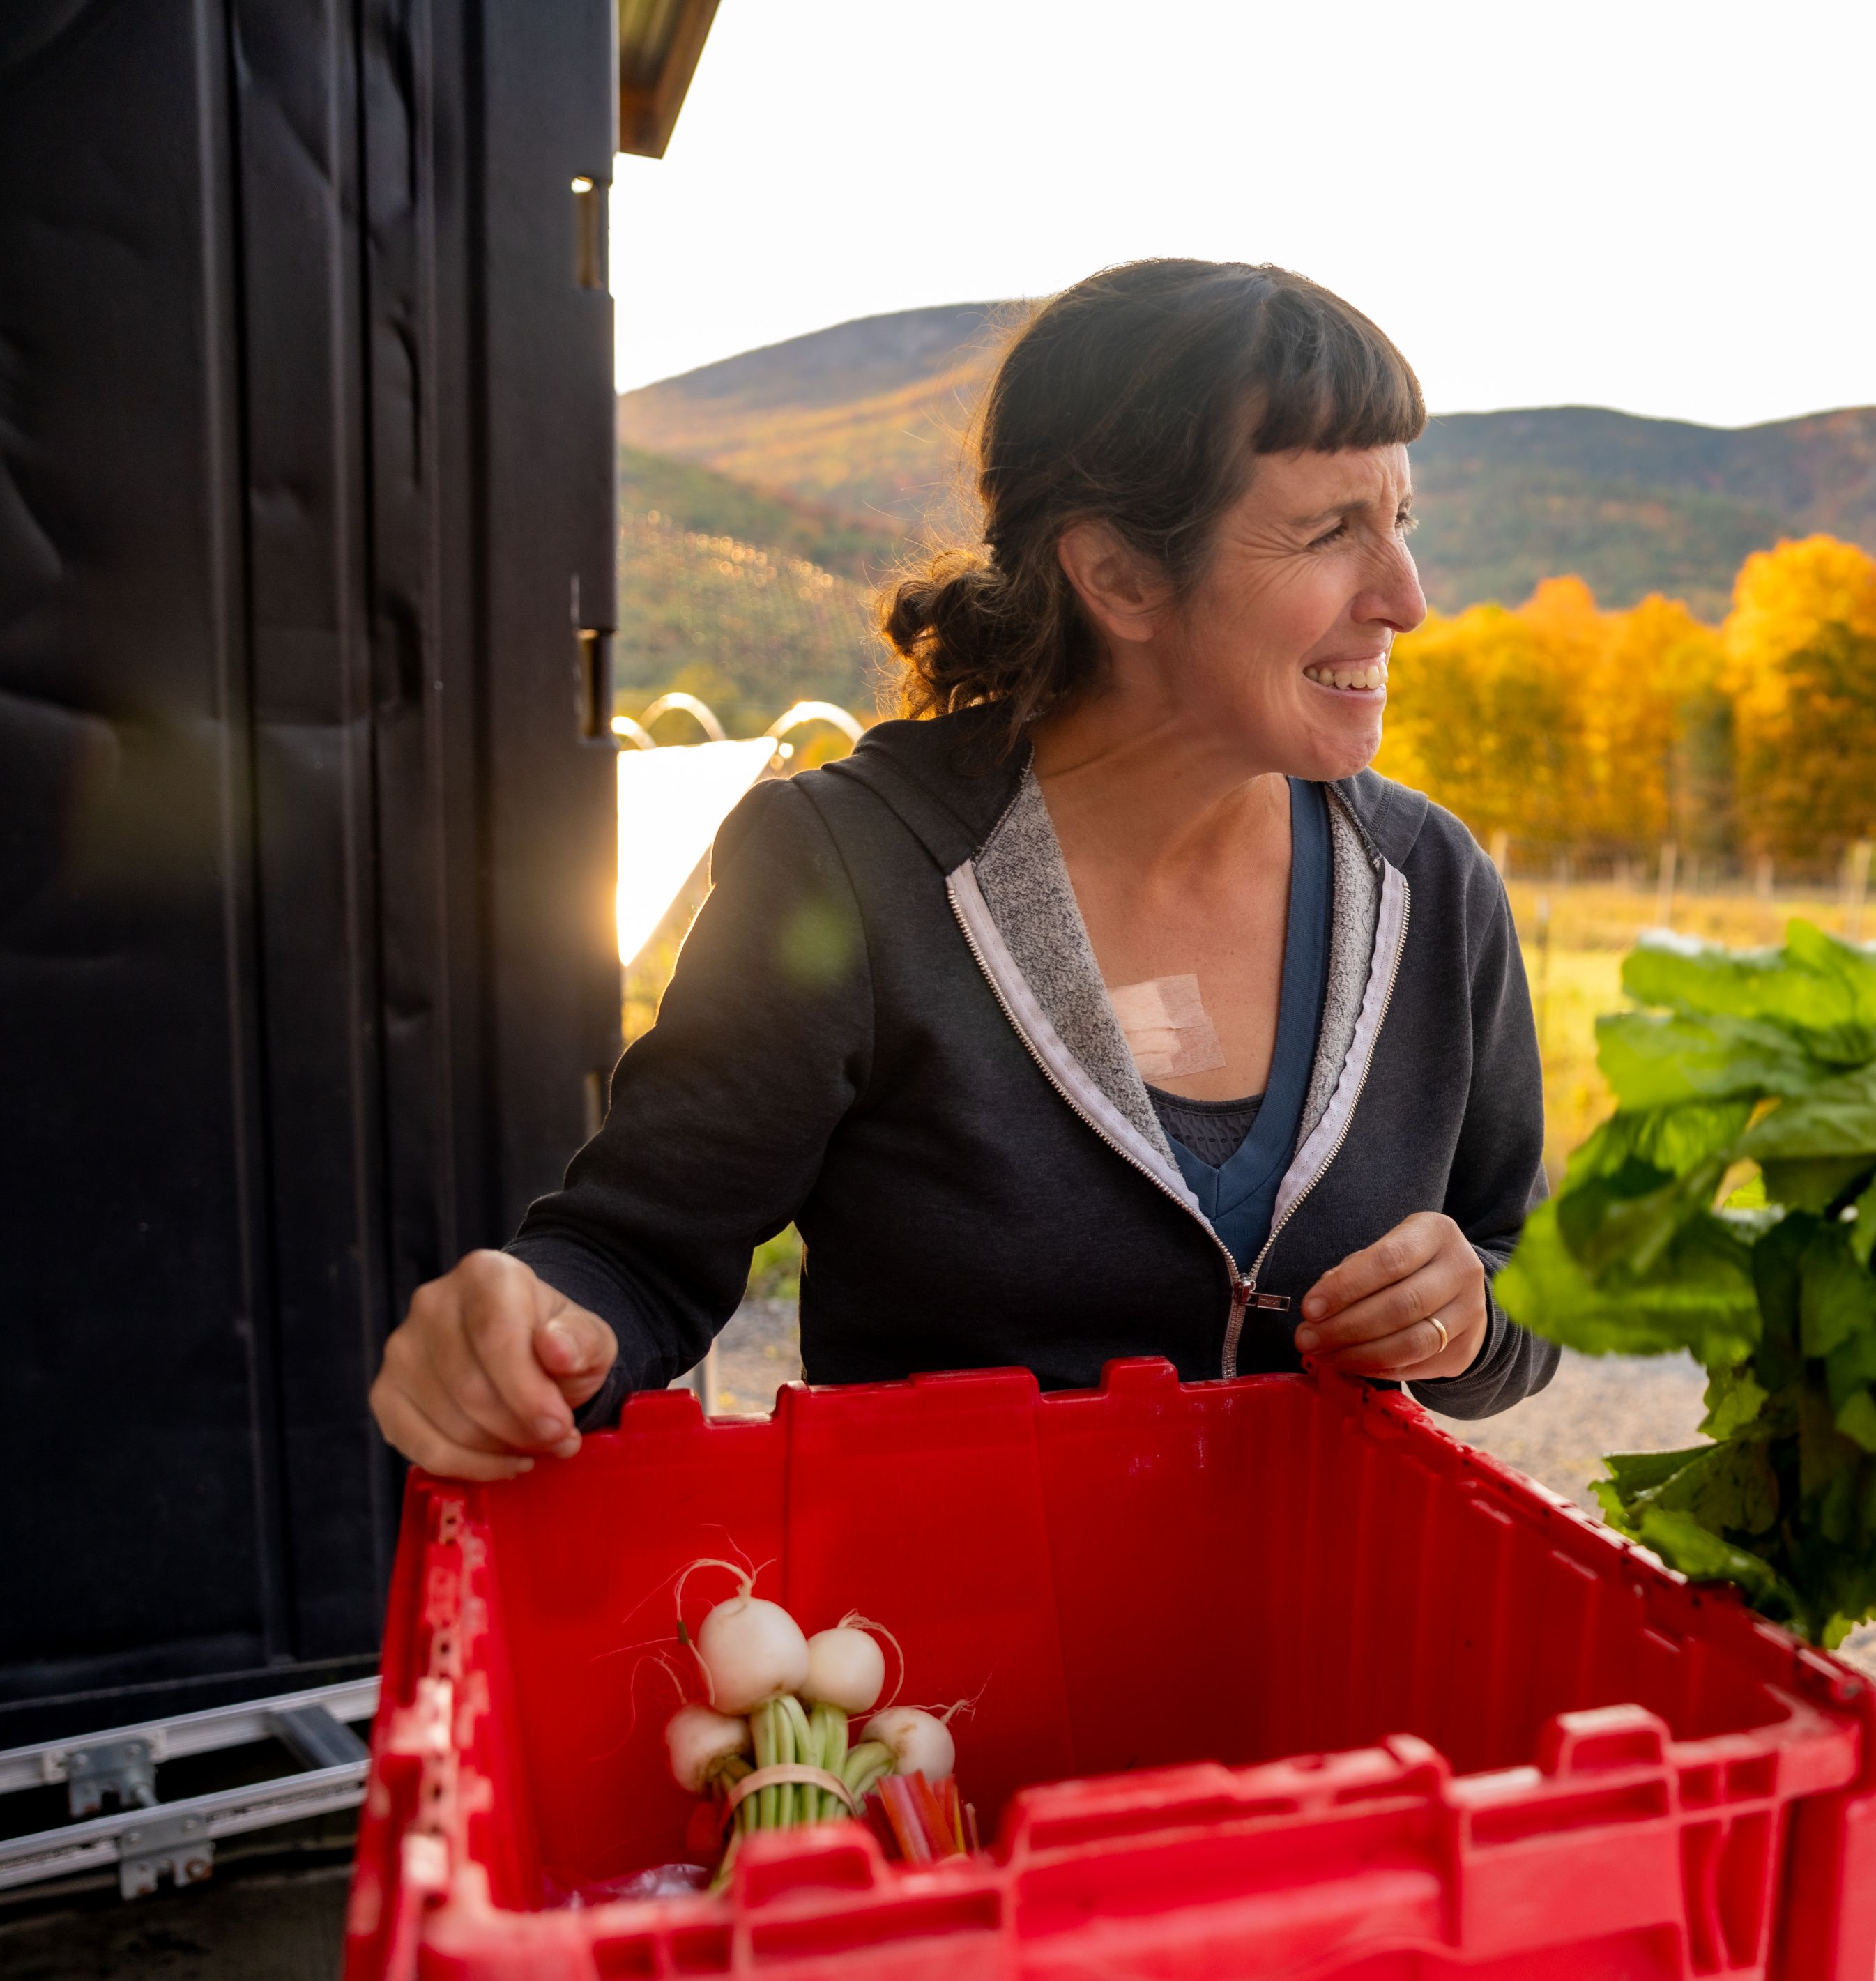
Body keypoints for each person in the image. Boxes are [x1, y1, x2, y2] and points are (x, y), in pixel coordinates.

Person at [369, 259, 1557, 1476]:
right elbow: (636, 1256)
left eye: (1398, 521)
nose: (1406, 599)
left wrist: (1470, 1320)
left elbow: (1536, 1282)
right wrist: (522, 1331)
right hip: (934, 1653)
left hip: (1323, 1644)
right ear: (1120, 578)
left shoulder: (1434, 887)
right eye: (1327, 533)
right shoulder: (853, 867)